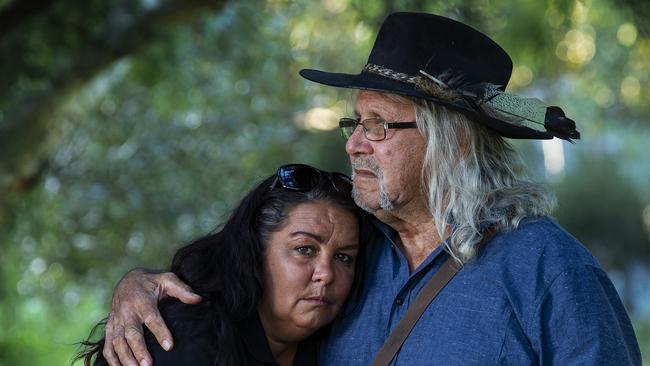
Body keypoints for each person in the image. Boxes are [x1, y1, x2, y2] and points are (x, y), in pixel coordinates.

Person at [100, 12, 642, 366]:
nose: (355, 144)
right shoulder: (350, 252)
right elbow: (235, 290)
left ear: (450, 144)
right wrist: (140, 285)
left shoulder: (550, 271)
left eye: (379, 125)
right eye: (354, 123)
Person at [77, 164, 365, 366]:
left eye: (343, 257)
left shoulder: (335, 344)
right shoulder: (187, 335)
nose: (326, 273)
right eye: (304, 249)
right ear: (255, 252)